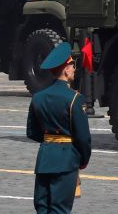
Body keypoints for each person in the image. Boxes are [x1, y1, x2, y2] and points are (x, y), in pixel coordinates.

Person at [26, 43, 92, 213]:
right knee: (59, 209)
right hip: (66, 161)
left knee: (42, 207)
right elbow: (83, 138)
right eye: (72, 65)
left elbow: (32, 132)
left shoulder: (38, 98)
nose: (74, 69)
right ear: (65, 70)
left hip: (44, 160)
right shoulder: (74, 99)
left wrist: (51, 143)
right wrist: (82, 160)